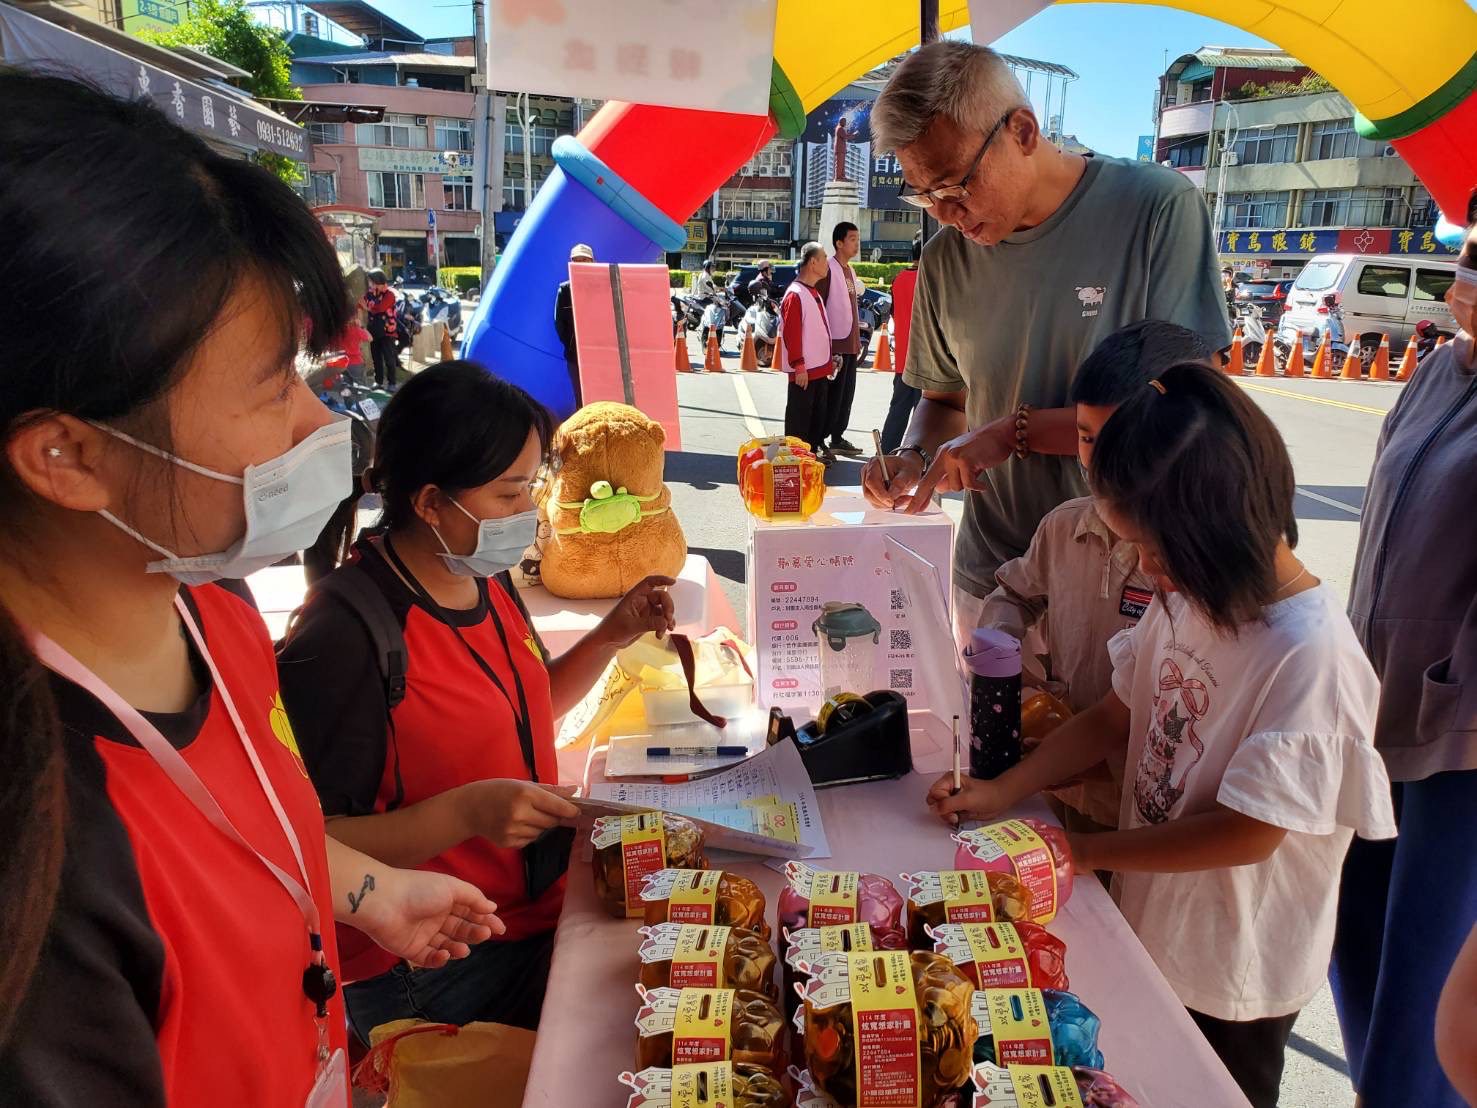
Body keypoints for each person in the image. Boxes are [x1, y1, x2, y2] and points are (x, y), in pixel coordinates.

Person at [0, 72, 502, 1105]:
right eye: (275, 383)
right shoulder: (38, 857)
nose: (321, 429)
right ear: (66, 455)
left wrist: (367, 891)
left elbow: (251, 819)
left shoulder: (208, 608)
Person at [928, 362, 1396, 1108]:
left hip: (1232, 973)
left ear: (1221, 525)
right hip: (1157, 929)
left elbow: (1246, 834)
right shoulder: (1189, 600)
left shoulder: (1310, 656)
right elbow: (1116, 713)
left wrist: (1076, 853)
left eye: (1152, 548)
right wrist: (1001, 790)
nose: (1144, 569)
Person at [277, 361, 677, 1040]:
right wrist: (465, 813)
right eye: (508, 494)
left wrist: (612, 634)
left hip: (531, 908)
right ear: (430, 502)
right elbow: (309, 841)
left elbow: (522, 712)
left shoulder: (479, 577)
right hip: (434, 957)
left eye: (533, 488)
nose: (530, 514)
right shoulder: (346, 635)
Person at [859, 41, 1230, 647]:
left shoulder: (1156, 209)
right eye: (925, 196)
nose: (948, 214)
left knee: (1115, 741)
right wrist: (915, 459)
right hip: (992, 579)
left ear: (1023, 131)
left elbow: (1194, 405)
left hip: (1135, 578)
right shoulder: (944, 261)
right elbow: (947, 401)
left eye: (955, 185)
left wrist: (1014, 432)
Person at [1332, 218, 1477, 1108]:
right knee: (1352, 952)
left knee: (1420, 1010)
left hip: (1461, 748)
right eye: (1470, 252)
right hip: (1372, 711)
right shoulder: (1434, 370)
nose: (1469, 273)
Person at [977, 321, 1213, 840]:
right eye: (1086, 437)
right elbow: (1013, 592)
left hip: (1151, 819)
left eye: (1120, 440)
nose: (1100, 461)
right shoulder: (1065, 526)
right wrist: (1005, 663)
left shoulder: (1201, 566)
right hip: (1058, 786)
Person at [780, 242, 839, 462]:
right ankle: (797, 461)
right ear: (813, 262)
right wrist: (799, 365)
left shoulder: (810, 291)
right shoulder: (796, 294)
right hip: (805, 372)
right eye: (824, 258)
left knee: (815, 418)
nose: (827, 263)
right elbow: (791, 333)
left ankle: (809, 458)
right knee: (800, 420)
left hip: (818, 369)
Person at [819, 220, 864, 456]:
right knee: (832, 395)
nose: (857, 244)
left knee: (846, 395)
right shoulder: (828, 268)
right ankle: (821, 440)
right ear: (839, 243)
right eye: (853, 239)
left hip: (851, 343)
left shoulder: (849, 270)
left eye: (858, 239)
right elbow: (821, 306)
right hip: (836, 343)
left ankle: (837, 437)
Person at [879, 234, 923, 454]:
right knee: (924, 415)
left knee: (898, 410)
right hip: (926, 360)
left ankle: (885, 454)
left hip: (904, 358)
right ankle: (919, 459)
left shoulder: (898, 279)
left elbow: (895, 312)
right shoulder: (929, 279)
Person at [553, 242, 595, 408]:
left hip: (601, 354)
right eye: (577, 260)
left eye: (585, 259)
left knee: (600, 397)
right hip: (575, 355)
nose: (581, 263)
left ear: (593, 262)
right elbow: (559, 323)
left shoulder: (603, 285)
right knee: (580, 396)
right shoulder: (565, 290)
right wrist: (571, 345)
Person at [362, 268, 401, 390]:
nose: (371, 285)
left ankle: (392, 383)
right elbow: (361, 303)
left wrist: (367, 308)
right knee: (376, 358)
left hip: (387, 331)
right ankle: (378, 381)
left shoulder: (389, 294)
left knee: (389, 358)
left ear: (379, 281)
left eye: (372, 282)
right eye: (370, 282)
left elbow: (380, 308)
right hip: (373, 330)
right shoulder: (369, 294)